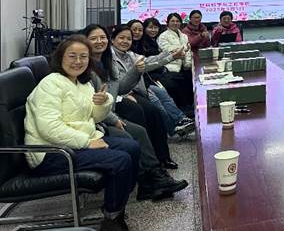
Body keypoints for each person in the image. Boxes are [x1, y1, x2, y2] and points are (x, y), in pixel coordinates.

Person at [24, 35, 139, 231]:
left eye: (83, 56)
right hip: (50, 152)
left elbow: (95, 116)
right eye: (72, 56)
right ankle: (112, 219)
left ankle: (115, 205)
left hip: (73, 143)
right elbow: (49, 128)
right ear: (60, 58)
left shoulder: (82, 83)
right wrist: (86, 142)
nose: (78, 61)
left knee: (132, 147)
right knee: (120, 160)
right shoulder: (50, 84)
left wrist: (103, 102)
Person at [84, 25, 188, 201]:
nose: (99, 41)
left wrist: (135, 70)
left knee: (141, 127)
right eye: (94, 38)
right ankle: (152, 180)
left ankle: (152, 180)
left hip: (107, 112)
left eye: (102, 38)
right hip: (96, 120)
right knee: (135, 124)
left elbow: (120, 88)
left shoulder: (107, 63)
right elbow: (92, 103)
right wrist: (114, 119)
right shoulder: (86, 67)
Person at [110, 25, 195, 138]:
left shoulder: (129, 54)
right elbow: (115, 85)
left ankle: (180, 120)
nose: (125, 41)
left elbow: (151, 61)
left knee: (163, 93)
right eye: (121, 38)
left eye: (129, 39)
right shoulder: (110, 57)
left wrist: (172, 56)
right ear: (112, 39)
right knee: (156, 106)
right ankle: (173, 129)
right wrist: (124, 94)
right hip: (127, 92)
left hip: (140, 86)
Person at [158, 12, 195, 112]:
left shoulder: (184, 36)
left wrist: (188, 64)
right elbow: (167, 50)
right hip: (171, 67)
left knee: (190, 84)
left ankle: (190, 107)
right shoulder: (163, 36)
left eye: (177, 21)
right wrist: (183, 49)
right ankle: (183, 109)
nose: (175, 23)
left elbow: (188, 51)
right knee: (178, 87)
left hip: (185, 66)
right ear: (168, 23)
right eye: (172, 21)